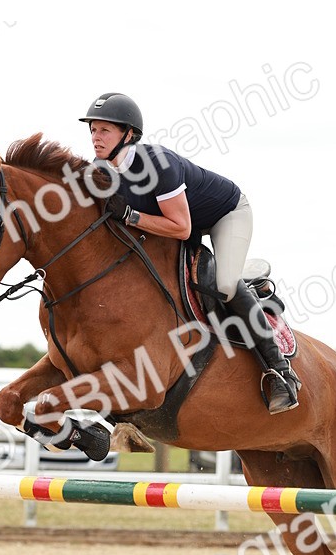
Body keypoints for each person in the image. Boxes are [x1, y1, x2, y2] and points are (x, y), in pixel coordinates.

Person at [79, 92, 299, 413]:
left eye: (104, 131)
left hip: (225, 214)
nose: (96, 138)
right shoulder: (100, 171)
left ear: (128, 135)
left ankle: (281, 372)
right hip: (178, 222)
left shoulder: (157, 163)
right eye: (93, 131)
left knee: (224, 284)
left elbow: (180, 227)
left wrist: (131, 216)